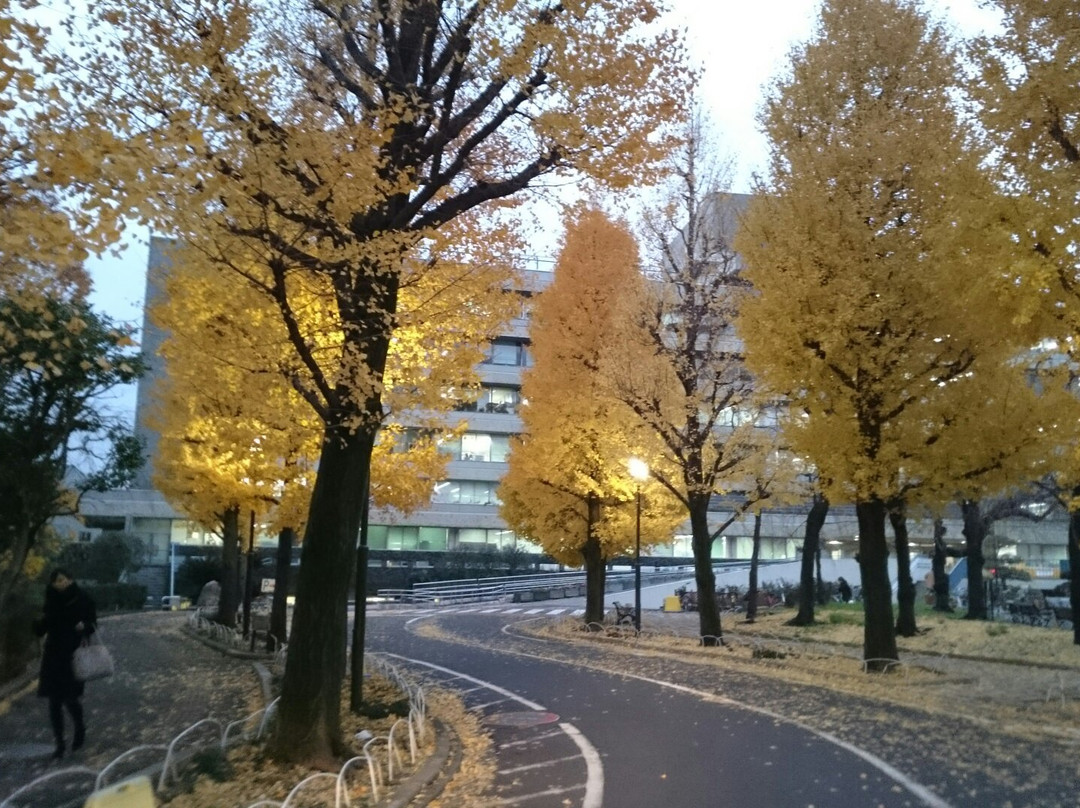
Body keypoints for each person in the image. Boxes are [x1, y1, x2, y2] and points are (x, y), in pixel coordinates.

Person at [33, 568, 97, 760]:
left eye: (63, 579)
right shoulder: (51, 600)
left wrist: (84, 626)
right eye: (56, 581)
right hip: (53, 654)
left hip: (73, 654)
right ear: (52, 584)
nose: (60, 583)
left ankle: (79, 727)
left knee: (70, 699)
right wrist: (36, 624)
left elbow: (92, 623)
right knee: (54, 702)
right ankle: (59, 743)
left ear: (70, 579)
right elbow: (45, 626)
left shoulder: (82, 598)